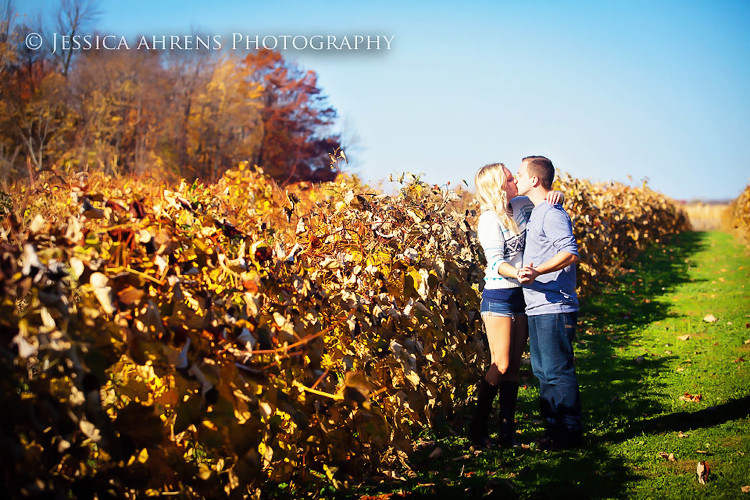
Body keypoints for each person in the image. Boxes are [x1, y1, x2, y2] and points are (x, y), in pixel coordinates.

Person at [469, 163, 563, 448]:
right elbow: (495, 262)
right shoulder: (488, 220)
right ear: (498, 186)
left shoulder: (521, 206)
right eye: (509, 178)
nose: (515, 181)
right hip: (499, 294)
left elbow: (544, 198)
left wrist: (557, 195)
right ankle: (476, 429)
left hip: (522, 295)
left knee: (514, 368)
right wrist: (517, 273)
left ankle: (506, 434)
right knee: (502, 362)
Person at [515, 155, 583, 449]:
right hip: (540, 305)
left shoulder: (552, 213)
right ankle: (555, 433)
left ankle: (569, 435)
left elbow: (570, 253)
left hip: (555, 305)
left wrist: (537, 271)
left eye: (519, 173)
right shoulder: (540, 210)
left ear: (534, 179)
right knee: (544, 372)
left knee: (557, 371)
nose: (516, 179)